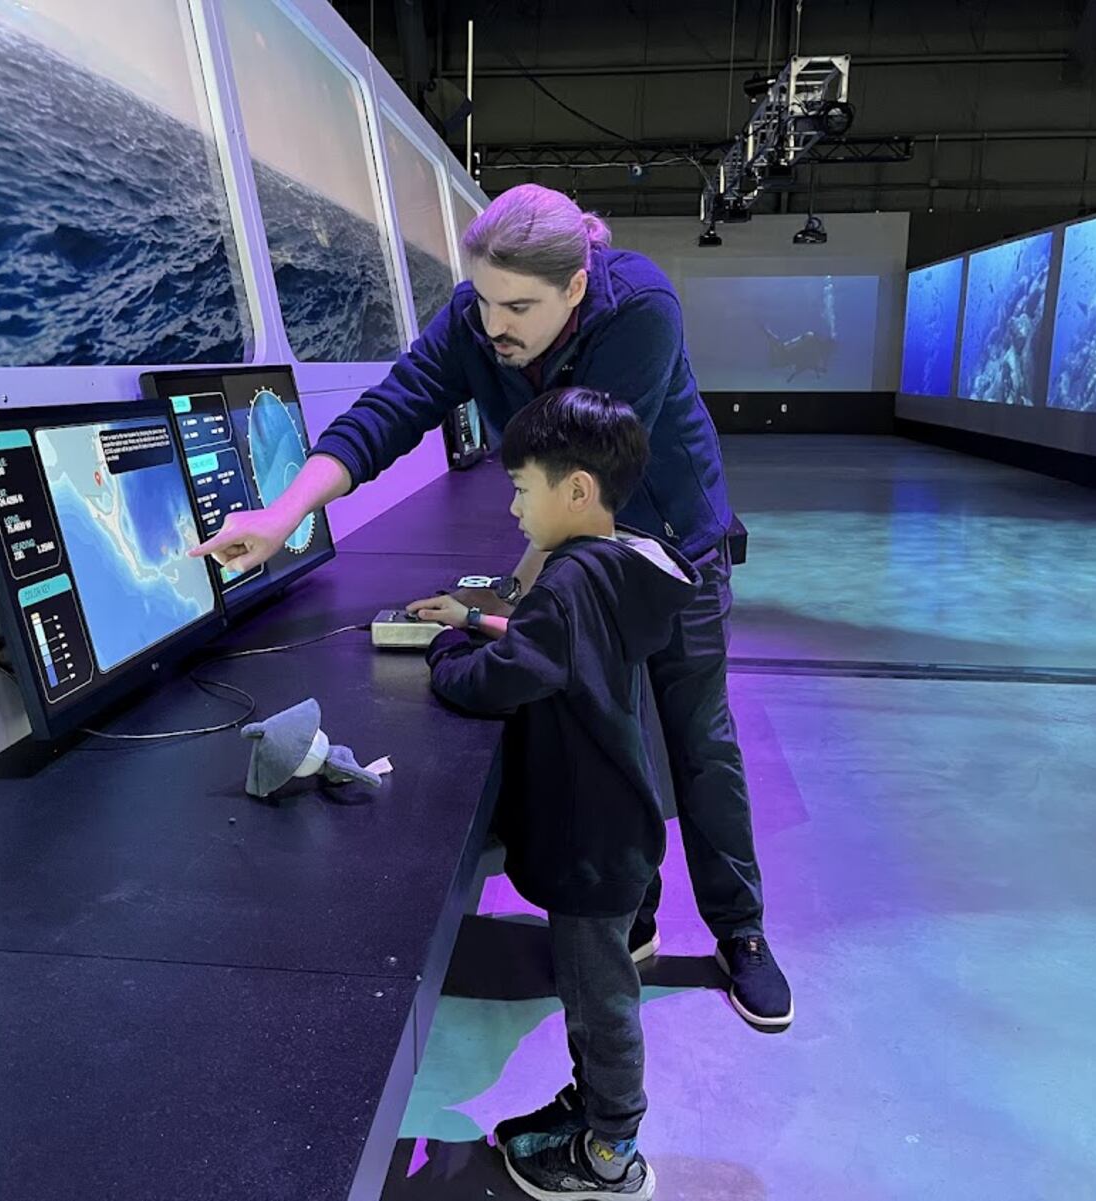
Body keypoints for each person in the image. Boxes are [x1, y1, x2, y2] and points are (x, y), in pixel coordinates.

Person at [196, 183, 792, 1029]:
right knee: (611, 739)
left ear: (576, 288)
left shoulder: (642, 308)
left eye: (519, 305)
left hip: (670, 550)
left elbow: (587, 478)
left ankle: (743, 933)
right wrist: (286, 513)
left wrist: (510, 598)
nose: (495, 323)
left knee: (697, 738)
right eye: (482, 300)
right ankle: (636, 911)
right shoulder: (479, 322)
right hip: (580, 546)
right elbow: (390, 412)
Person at [420, 388, 693, 1199]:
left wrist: (444, 649)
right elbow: (558, 649)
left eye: (521, 487)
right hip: (620, 819)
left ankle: (610, 1149)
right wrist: (485, 618)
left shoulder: (569, 584)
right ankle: (596, 1108)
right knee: (595, 987)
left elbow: (506, 679)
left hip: (591, 839)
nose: (511, 507)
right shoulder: (618, 562)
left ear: (575, 489)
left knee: (597, 995)